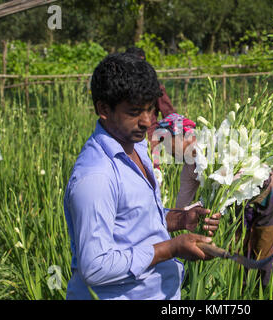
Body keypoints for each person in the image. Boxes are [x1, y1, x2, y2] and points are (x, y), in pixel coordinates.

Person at [63, 52, 221, 300]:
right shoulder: (95, 177)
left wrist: (181, 219)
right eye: (135, 111)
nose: (147, 121)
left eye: (150, 109)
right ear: (104, 109)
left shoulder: (135, 146)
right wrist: (172, 248)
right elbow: (95, 267)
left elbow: (135, 220)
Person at [153, 113, 273, 288]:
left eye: (170, 146)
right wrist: (166, 224)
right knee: (239, 247)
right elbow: (182, 206)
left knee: (264, 248)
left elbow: (229, 185)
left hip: (267, 194)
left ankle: (268, 291)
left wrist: (203, 206)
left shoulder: (215, 145)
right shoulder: (189, 167)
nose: (170, 154)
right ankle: (245, 292)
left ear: (184, 136)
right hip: (239, 200)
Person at [125, 47, 177, 153]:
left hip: (150, 141)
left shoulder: (155, 87)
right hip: (126, 140)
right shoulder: (121, 89)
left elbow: (170, 115)